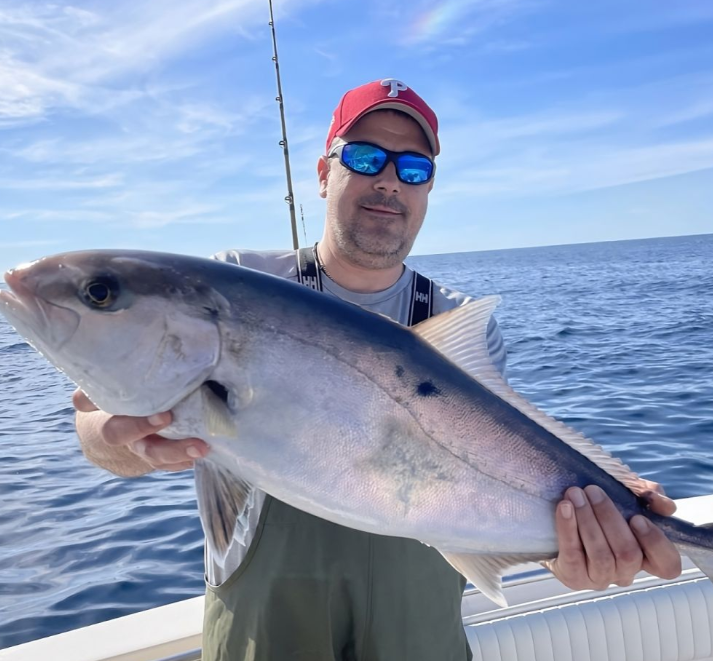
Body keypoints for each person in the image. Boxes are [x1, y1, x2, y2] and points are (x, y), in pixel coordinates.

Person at [73, 78, 682, 660]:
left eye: (413, 169)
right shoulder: (235, 283)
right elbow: (101, 429)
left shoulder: (456, 318)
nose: (389, 181)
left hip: (416, 615)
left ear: (426, 192)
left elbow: (494, 478)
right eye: (365, 157)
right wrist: (120, 442)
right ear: (323, 173)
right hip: (265, 610)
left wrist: (573, 540)